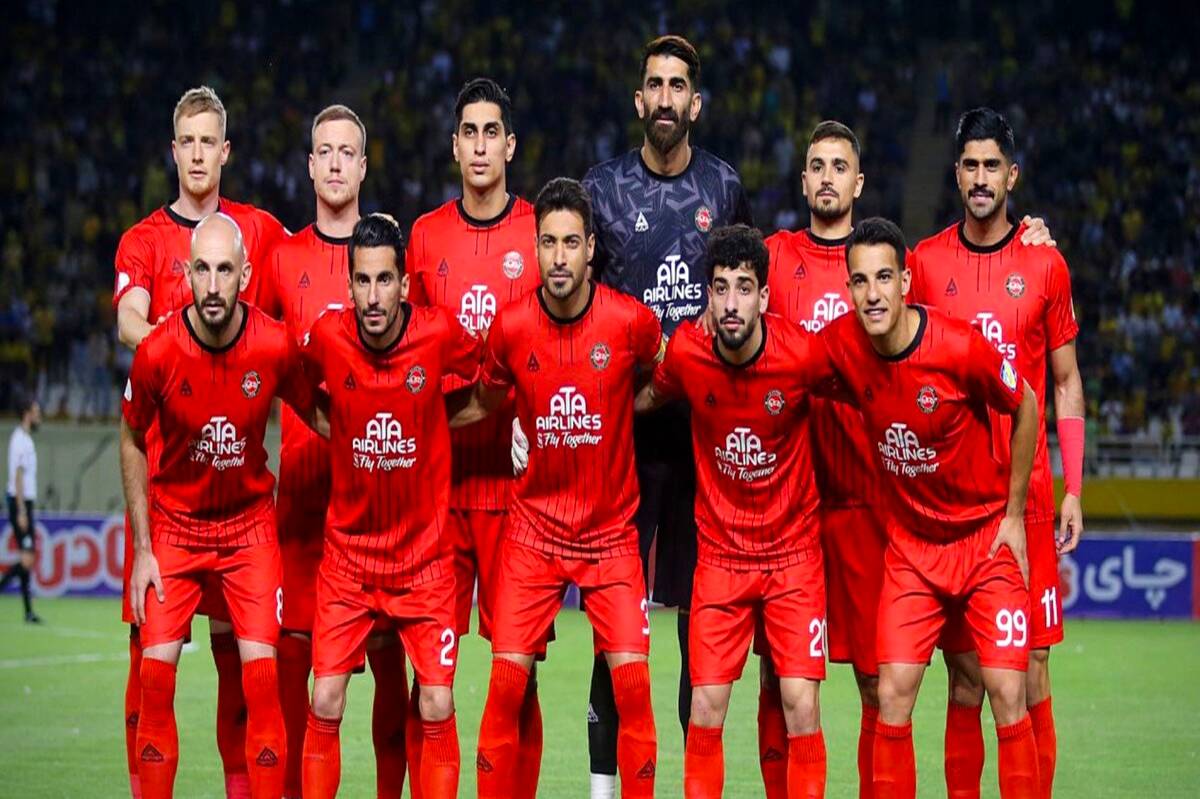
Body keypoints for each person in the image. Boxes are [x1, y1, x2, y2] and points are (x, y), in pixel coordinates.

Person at [581, 34, 751, 798]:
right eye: (655, 84)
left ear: (696, 103)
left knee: (697, 632)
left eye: (678, 85)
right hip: (624, 442)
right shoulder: (603, 188)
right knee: (617, 630)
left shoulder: (726, 186)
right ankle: (603, 789)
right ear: (638, 99)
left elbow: (747, 288)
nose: (665, 97)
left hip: (705, 445)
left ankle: (691, 786)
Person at [819, 217, 1041, 798]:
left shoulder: (960, 346)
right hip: (913, 551)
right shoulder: (841, 344)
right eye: (860, 281)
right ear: (849, 289)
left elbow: (1026, 403)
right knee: (891, 692)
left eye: (883, 278)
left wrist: (1014, 515)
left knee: (1005, 690)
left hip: (982, 539)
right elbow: (784, 361)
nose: (873, 294)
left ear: (905, 281)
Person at [113, 85, 287, 799]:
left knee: (238, 669)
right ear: (173, 150)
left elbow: (304, 289)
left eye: (207, 141)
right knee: (148, 667)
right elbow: (128, 318)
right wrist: (176, 345)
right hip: (168, 487)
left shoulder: (260, 231)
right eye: (185, 141)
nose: (196, 154)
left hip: (239, 491)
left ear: (225, 151)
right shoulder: (144, 239)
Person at [909, 107, 1085, 799]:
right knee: (965, 679)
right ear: (955, 174)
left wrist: (1075, 489)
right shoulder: (925, 264)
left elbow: (1065, 381)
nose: (980, 178)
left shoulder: (1045, 263)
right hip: (953, 506)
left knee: (1032, 670)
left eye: (993, 166)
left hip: (1029, 500)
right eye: (970, 166)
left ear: (1013, 175)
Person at [465, 178, 661, 799]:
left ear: (591, 248)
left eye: (570, 243)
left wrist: (625, 407)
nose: (558, 257)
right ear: (535, 246)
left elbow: (666, 372)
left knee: (634, 689)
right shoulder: (510, 327)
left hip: (610, 534)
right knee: (504, 688)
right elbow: (487, 399)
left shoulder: (629, 322)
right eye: (548, 242)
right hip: (533, 534)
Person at [121, 213, 317, 799]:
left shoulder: (273, 343)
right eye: (201, 270)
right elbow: (131, 437)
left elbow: (322, 413)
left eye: (224, 271)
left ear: (245, 276)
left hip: (249, 531)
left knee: (262, 682)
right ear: (185, 275)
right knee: (155, 680)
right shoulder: (157, 351)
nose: (212, 285)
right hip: (175, 530)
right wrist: (143, 549)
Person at [637, 225, 830, 796]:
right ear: (707, 295)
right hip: (721, 557)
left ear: (764, 297)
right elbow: (648, 396)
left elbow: (861, 388)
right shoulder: (688, 353)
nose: (730, 303)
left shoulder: (801, 356)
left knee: (800, 704)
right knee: (705, 706)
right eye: (720, 288)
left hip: (793, 557)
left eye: (744, 288)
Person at [298, 214, 481, 799]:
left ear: (404, 284)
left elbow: (490, 376)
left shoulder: (438, 332)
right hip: (348, 560)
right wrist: (337, 428)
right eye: (362, 281)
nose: (373, 296)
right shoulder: (328, 337)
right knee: (326, 696)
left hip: (425, 562)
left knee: (437, 701)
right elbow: (295, 383)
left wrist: (438, 420)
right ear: (349, 285)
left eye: (384, 281)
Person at [257, 104, 410, 799]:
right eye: (327, 151)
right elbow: (252, 358)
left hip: (379, 508)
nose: (338, 162)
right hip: (301, 506)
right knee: (299, 681)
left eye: (350, 151)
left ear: (364, 166)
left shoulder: (388, 261)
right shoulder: (281, 260)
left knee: (388, 672)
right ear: (311, 166)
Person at [405, 77, 541, 798]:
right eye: (469, 132)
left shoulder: (539, 232)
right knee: (433, 674)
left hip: (519, 496)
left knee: (519, 672)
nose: (481, 145)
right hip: (440, 492)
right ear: (454, 145)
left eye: (493, 132)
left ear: (509, 145)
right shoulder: (425, 236)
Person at [2, 396, 42, 623]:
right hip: (20, 503)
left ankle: (28, 612)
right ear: (27, 413)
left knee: (27, 558)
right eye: (36, 412)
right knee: (27, 559)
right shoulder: (19, 440)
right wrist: (21, 511)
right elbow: (17, 476)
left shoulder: (26, 439)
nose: (39, 416)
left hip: (24, 502)